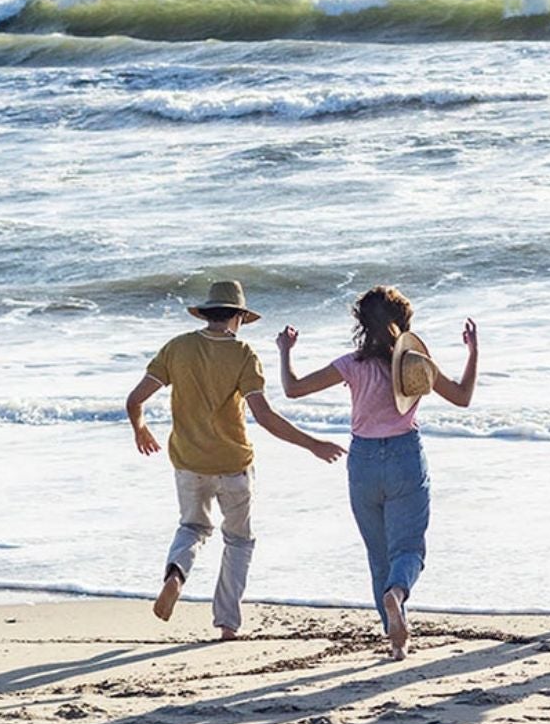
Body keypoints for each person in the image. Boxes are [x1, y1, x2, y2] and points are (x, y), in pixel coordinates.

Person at [124, 280, 346, 641]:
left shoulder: (177, 348)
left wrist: (140, 429)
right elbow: (266, 416)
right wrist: (312, 444)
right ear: (240, 316)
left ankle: (176, 575)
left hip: (189, 462)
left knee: (192, 528)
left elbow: (134, 399)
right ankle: (227, 624)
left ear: (207, 313)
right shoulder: (243, 354)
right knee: (239, 541)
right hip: (234, 464)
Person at [277, 286, 478, 660]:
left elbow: (292, 389)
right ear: (402, 325)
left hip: (363, 461)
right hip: (404, 456)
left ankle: (395, 640)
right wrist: (473, 352)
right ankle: (398, 595)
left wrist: (286, 351)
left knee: (378, 554)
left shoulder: (351, 365)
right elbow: (463, 396)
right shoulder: (416, 364)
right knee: (409, 548)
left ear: (363, 325)